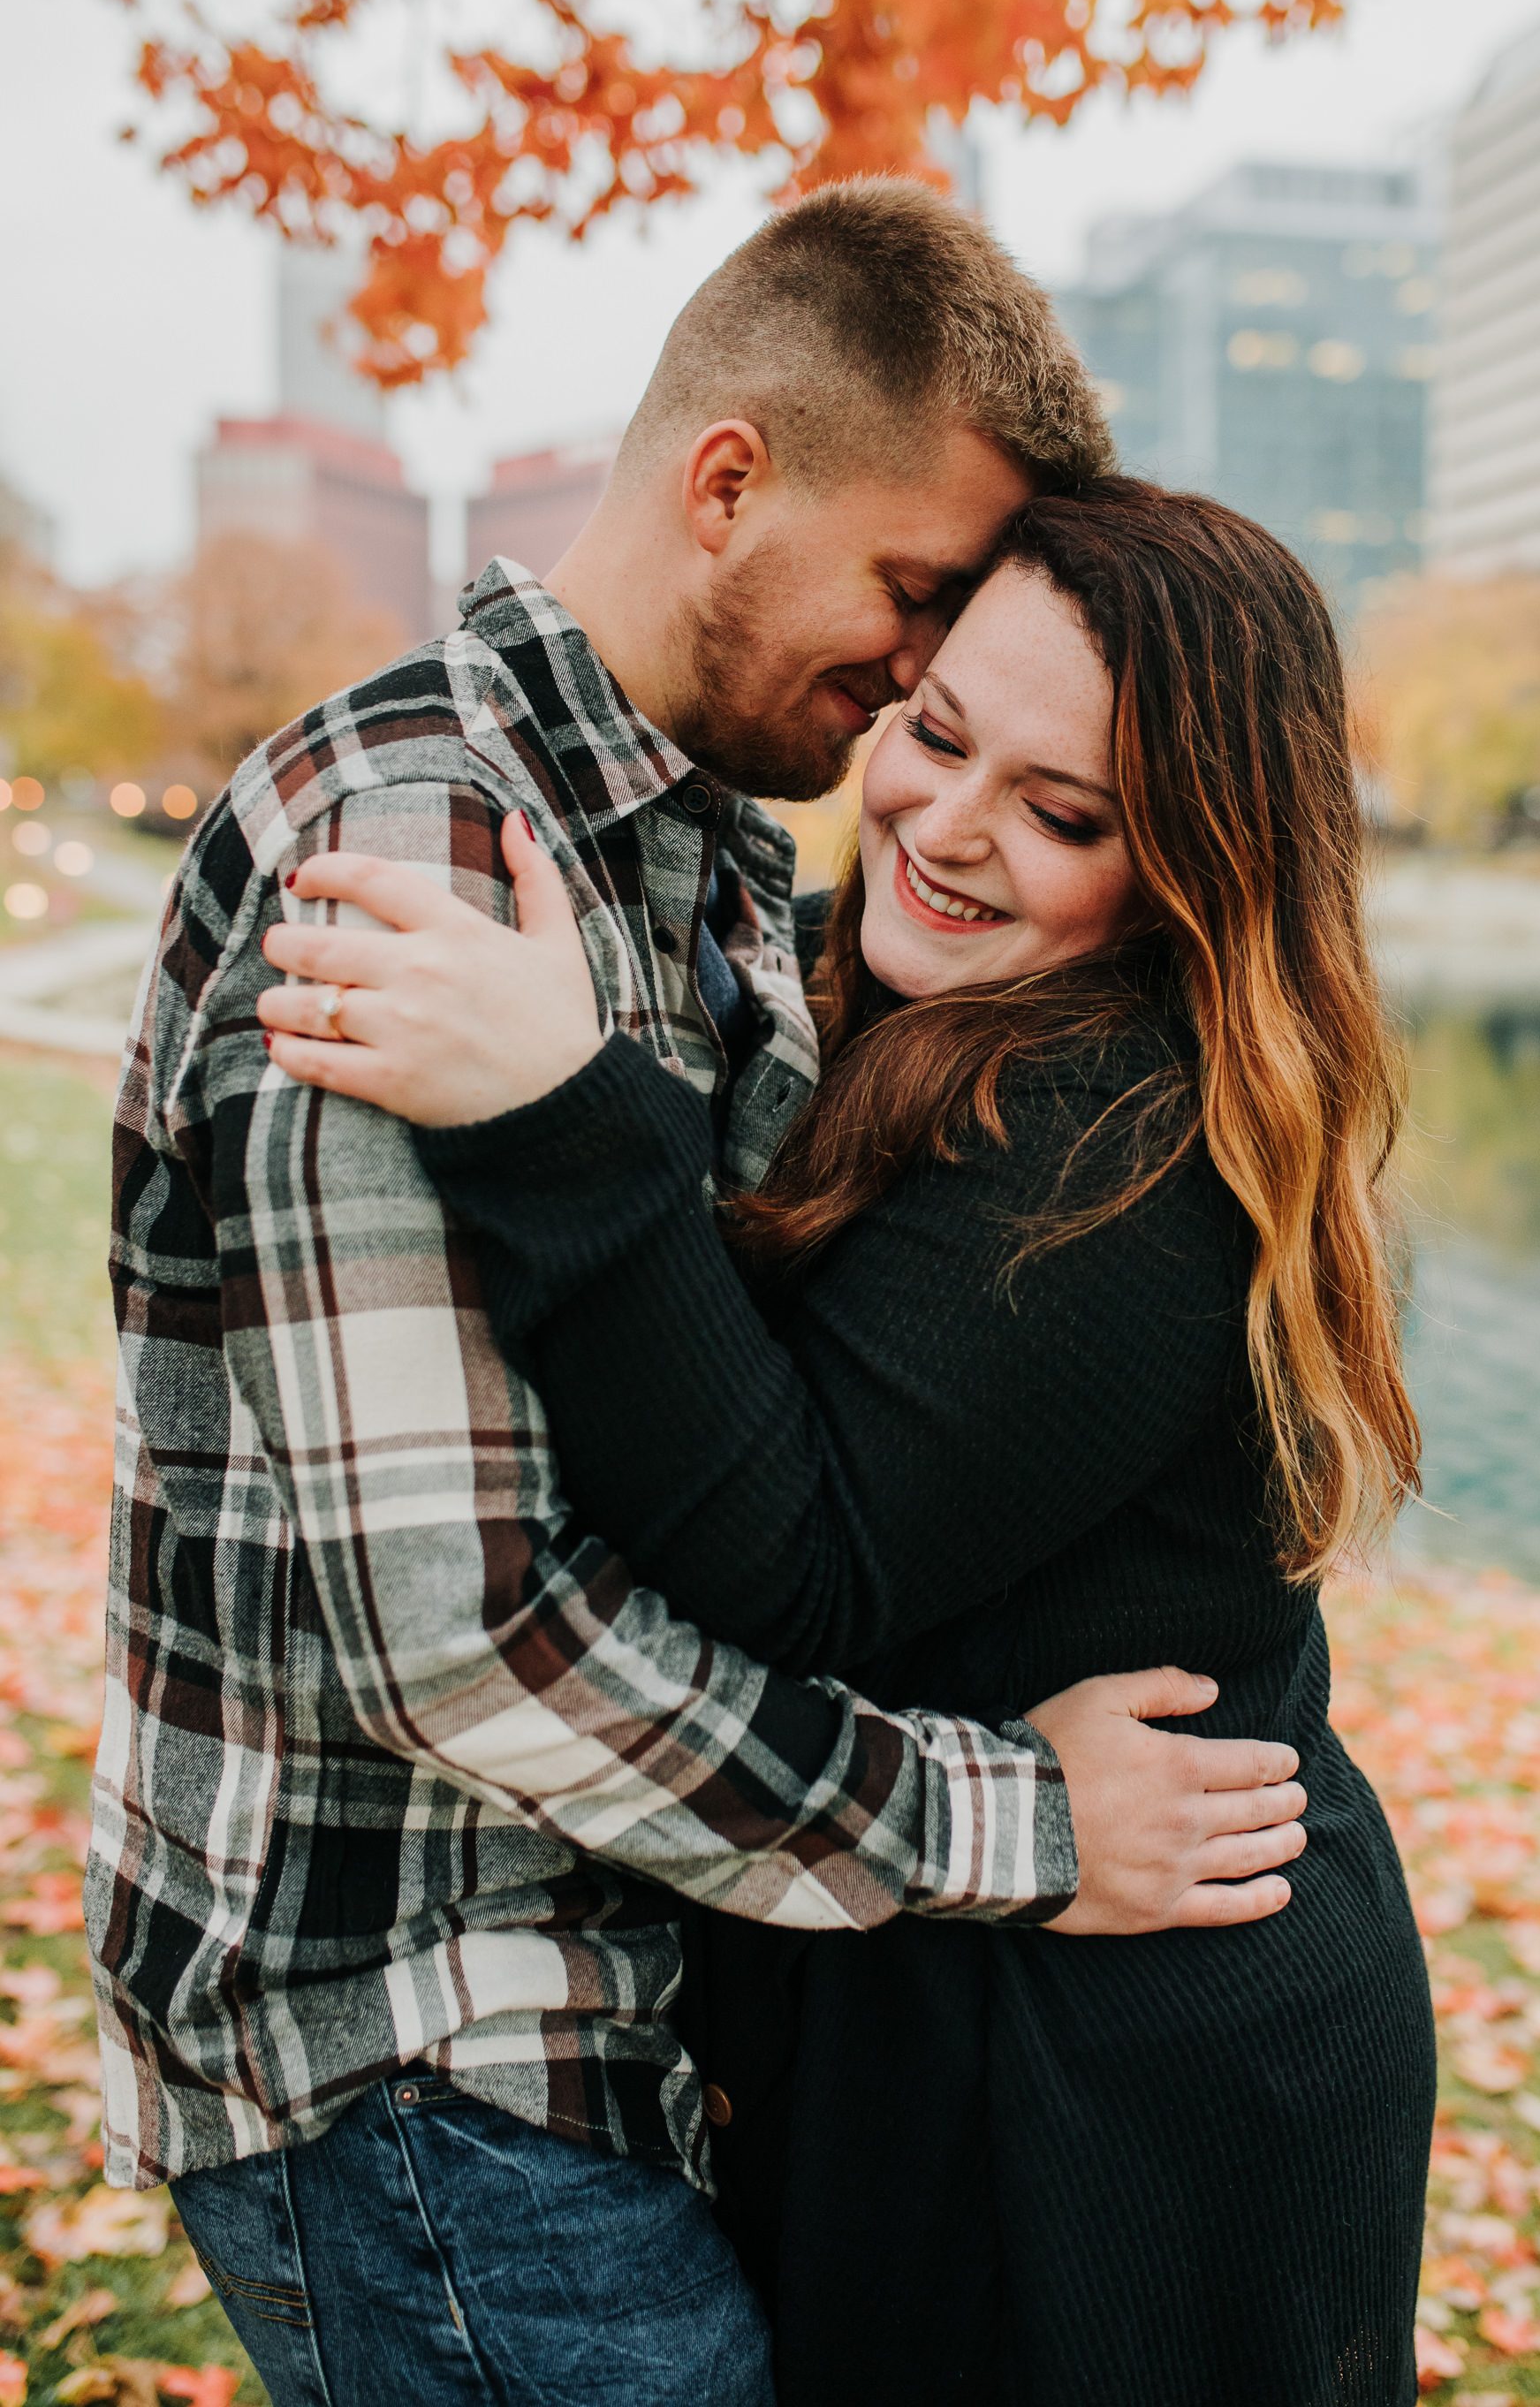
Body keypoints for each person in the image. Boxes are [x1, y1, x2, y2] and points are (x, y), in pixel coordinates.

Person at [94, 186, 1309, 2407]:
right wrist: (1009, 1823)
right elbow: (464, 1641)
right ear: (730, 481)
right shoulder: (420, 847)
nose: (909, 717)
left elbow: (759, 1427)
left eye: (1043, 782)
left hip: (634, 1995)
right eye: (913, 615)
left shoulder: (725, 860)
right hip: (416, 2039)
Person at [259, 478, 1438, 2406]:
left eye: (1061, 816)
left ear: (1196, 874)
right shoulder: (871, 982)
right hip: (970, 1962)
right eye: (935, 730)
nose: (948, 832)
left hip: (1115, 2070)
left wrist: (559, 1112)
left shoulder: (1124, 1145)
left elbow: (794, 1558)